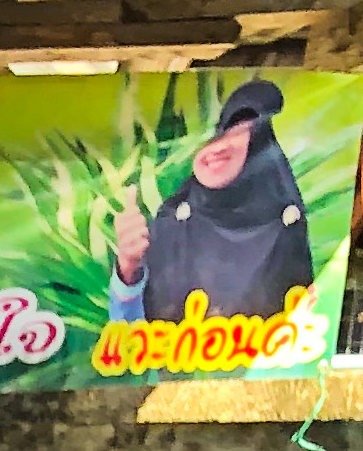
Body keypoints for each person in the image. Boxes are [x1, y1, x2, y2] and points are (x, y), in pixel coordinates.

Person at [110, 79, 315, 326]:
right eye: (217, 133)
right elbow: (129, 330)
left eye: (242, 131)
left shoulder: (283, 226)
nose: (219, 146)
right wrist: (128, 270)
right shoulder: (173, 220)